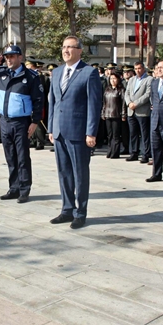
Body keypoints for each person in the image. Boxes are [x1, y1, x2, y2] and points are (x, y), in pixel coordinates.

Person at [47, 36, 102, 228]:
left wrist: (91, 132)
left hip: (78, 132)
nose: (65, 50)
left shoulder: (89, 73)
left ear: (79, 50)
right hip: (59, 132)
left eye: (70, 47)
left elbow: (94, 105)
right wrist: (51, 128)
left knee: (80, 174)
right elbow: (53, 102)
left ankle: (81, 212)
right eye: (63, 47)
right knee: (64, 173)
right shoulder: (57, 72)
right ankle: (67, 209)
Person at [0, 45, 43, 204]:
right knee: (10, 157)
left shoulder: (30, 76)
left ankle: (24, 189)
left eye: (12, 56)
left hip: (21, 122)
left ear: (20, 57)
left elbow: (39, 101)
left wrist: (35, 122)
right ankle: (13, 188)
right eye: (6, 56)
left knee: (22, 157)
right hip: (4, 121)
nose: (9, 59)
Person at [124, 61, 152, 163]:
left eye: (139, 68)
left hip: (142, 111)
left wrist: (136, 103)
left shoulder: (149, 79)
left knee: (144, 134)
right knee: (133, 133)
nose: (137, 71)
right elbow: (126, 93)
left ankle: (145, 154)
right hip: (131, 110)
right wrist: (129, 103)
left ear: (143, 68)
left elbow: (148, 94)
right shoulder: (131, 80)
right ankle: (134, 153)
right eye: (135, 69)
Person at [102, 73, 127, 159]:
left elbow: (124, 103)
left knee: (116, 135)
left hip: (116, 114)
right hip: (107, 114)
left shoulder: (121, 90)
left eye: (114, 78)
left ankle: (115, 152)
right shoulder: (107, 89)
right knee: (110, 135)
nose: (113, 80)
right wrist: (103, 112)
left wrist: (123, 114)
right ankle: (110, 151)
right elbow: (104, 102)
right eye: (111, 78)